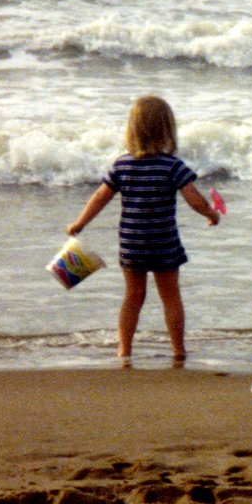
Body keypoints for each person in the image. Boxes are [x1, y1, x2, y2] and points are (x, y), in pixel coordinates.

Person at [68, 96, 220, 363]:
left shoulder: (122, 165)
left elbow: (100, 197)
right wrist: (211, 213)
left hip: (132, 242)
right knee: (170, 295)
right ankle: (178, 350)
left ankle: (124, 349)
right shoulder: (173, 166)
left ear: (132, 130)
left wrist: (80, 223)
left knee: (133, 296)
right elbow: (193, 197)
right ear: (167, 130)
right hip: (163, 242)